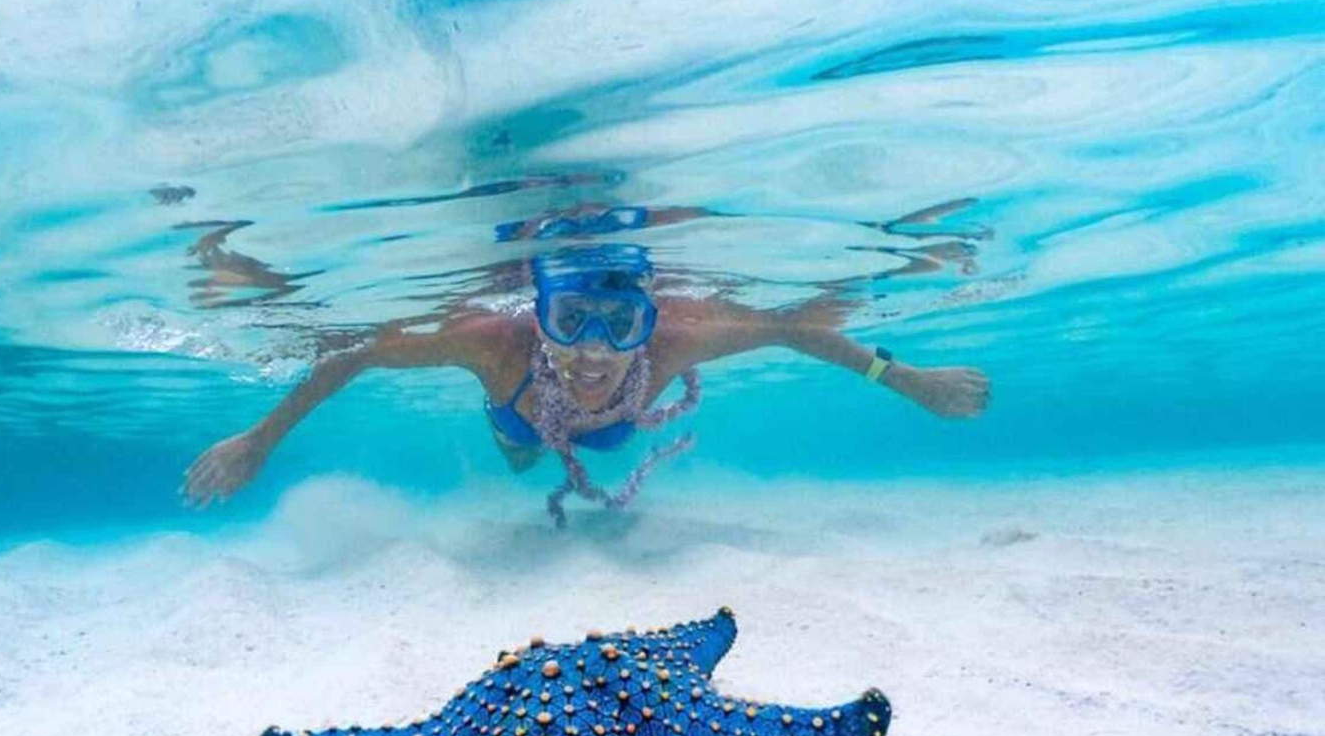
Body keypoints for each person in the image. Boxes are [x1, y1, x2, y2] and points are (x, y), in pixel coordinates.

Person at [182, 230, 990, 525]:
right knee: (521, 453)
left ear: (649, 317)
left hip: (613, 430)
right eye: (571, 321)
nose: (597, 351)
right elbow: (351, 350)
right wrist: (259, 437)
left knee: (583, 441)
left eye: (621, 322)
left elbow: (796, 326)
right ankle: (518, 455)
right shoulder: (494, 345)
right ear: (537, 317)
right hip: (518, 414)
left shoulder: (677, 339)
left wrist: (906, 376)